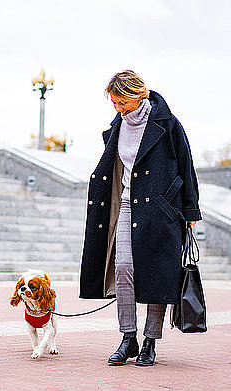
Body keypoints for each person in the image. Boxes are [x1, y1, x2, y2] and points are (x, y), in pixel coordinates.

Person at [79, 70, 202, 366]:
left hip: (161, 209)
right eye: (114, 103)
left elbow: (187, 166)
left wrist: (190, 210)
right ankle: (128, 337)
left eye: (122, 102)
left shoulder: (168, 124)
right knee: (122, 268)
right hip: (126, 205)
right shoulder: (117, 127)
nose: (118, 108)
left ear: (138, 95)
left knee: (157, 274)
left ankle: (150, 341)